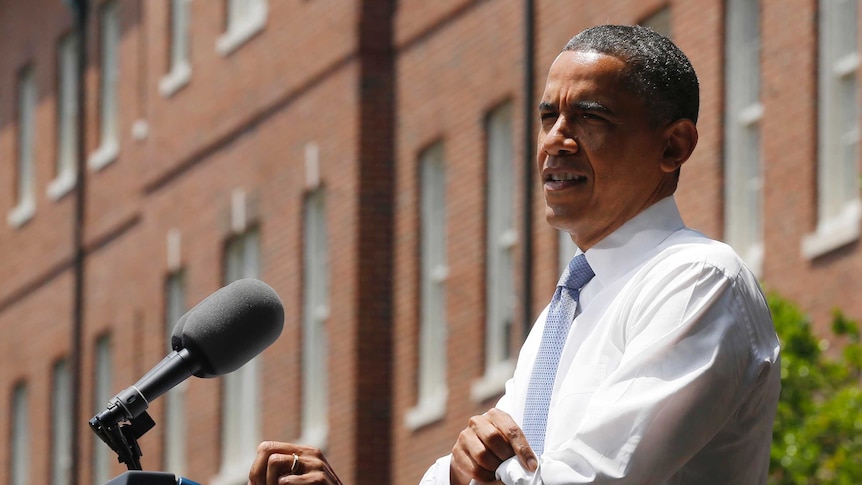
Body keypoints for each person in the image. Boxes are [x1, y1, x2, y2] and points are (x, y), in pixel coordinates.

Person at [248, 24, 781, 485]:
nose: (556, 140)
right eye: (548, 117)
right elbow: (476, 468)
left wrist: (483, 468)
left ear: (673, 146)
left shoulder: (698, 281)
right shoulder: (570, 307)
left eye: (590, 118)